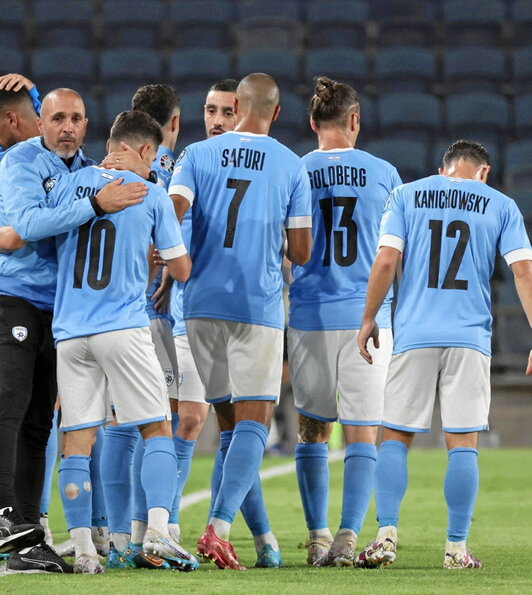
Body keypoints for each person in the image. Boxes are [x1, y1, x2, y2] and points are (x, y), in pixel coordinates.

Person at [356, 140, 532, 570]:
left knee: (395, 436)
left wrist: (368, 318)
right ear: (483, 172)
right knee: (463, 443)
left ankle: (385, 538)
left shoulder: (407, 195)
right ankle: (455, 548)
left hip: (414, 332)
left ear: (442, 168)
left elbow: (384, 260)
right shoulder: (501, 204)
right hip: (469, 337)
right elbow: (523, 270)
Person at [169, 72, 312, 569]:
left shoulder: (195, 155)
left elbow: (172, 211)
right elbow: (300, 250)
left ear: (237, 106)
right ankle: (218, 527)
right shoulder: (292, 166)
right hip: (256, 306)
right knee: (256, 421)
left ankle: (265, 540)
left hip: (199, 304)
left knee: (230, 429)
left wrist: (177, 262)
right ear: (275, 113)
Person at [0, 88, 146, 573]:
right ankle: (4, 519)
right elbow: (26, 224)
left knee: (41, 421)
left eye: (76, 119)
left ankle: (27, 533)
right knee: (10, 408)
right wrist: (96, 206)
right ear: (38, 122)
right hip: (14, 298)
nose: (67, 127)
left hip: (59, 310)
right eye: (57, 117)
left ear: (87, 125)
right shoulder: (21, 161)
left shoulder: (86, 170)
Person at [47, 110, 197, 574]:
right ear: (147, 151)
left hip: (70, 331)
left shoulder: (70, 186)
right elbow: (181, 268)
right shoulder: (151, 194)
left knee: (77, 440)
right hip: (124, 328)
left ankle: (85, 551)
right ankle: (156, 535)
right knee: (156, 428)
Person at [288, 76, 402, 567]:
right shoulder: (385, 174)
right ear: (354, 120)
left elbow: (282, 246)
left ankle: (315, 534)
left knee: (312, 429)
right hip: (367, 320)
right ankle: (347, 537)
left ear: (313, 122)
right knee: (362, 432)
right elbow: (396, 254)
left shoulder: (294, 171)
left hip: (310, 315)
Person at [97, 84, 183, 569]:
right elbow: (178, 247)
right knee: (159, 426)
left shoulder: (102, 171)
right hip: (154, 315)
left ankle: (110, 537)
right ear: (171, 125)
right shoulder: (165, 171)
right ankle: (156, 530)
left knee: (112, 427)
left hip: (104, 312)